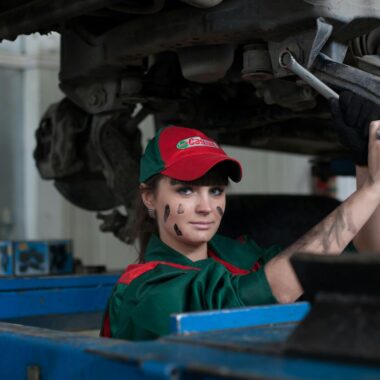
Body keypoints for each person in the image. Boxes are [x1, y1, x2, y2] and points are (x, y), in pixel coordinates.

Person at [100, 92, 380, 341]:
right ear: (149, 197)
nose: (206, 206)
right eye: (185, 190)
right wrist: (371, 190)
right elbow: (275, 290)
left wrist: (363, 161)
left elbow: (365, 251)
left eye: (216, 190)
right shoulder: (145, 292)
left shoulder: (235, 253)